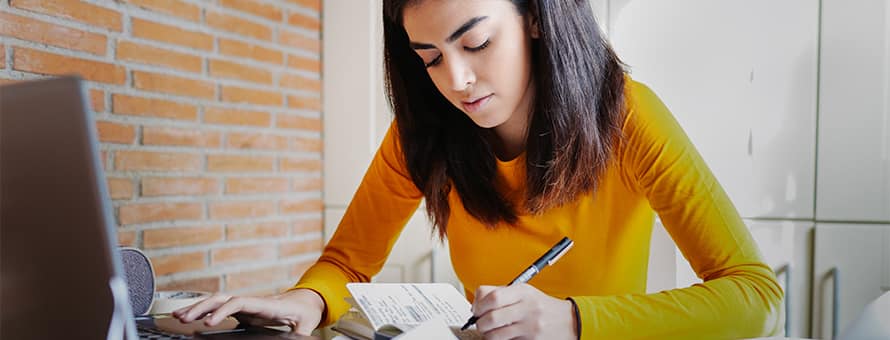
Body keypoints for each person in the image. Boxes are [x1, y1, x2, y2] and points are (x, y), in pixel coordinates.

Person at [174, 0, 784, 338]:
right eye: (431, 58)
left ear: (537, 17)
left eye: (477, 43)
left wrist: (571, 319)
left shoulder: (627, 117)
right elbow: (347, 262)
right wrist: (307, 300)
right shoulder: (425, 131)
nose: (457, 82)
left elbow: (754, 297)